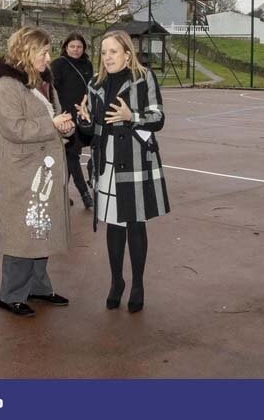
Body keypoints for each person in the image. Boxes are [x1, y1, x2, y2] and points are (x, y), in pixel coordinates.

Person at [75, 30, 170, 314]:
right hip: (106, 162)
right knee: (113, 226)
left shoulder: (145, 78)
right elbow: (91, 131)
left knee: (135, 225)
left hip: (137, 161)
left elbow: (158, 118)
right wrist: (85, 121)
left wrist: (132, 117)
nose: (107, 57)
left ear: (127, 54)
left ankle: (138, 284)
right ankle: (117, 282)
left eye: (113, 52)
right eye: (103, 52)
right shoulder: (95, 83)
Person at [0, 26, 74, 318]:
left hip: (43, 171)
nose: (48, 58)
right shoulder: (7, 86)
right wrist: (52, 126)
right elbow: (14, 129)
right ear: (27, 52)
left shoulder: (42, 82)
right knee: (20, 234)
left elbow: (54, 117)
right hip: (21, 172)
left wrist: (65, 126)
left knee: (40, 229)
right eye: (43, 52)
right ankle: (10, 294)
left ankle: (38, 286)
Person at [51, 32, 94, 210]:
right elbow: (52, 90)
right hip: (65, 118)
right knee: (72, 155)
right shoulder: (58, 64)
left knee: (70, 156)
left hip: (82, 116)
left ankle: (60, 194)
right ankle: (84, 193)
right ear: (66, 47)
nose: (76, 50)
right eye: (72, 46)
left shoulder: (88, 65)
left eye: (79, 47)